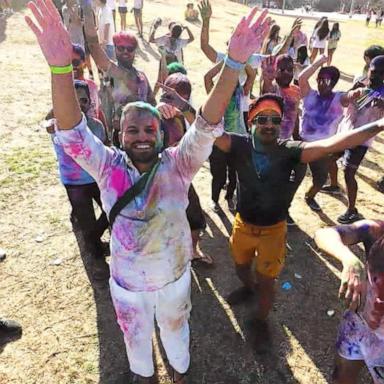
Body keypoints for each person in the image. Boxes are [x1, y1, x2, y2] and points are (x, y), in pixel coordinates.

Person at [25, 1, 271, 382]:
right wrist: (60, 68)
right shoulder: (106, 167)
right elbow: (73, 134)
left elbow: (206, 124)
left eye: (149, 130)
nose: (141, 136)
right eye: (132, 130)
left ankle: (180, 372)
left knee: (177, 339)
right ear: (119, 137)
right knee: (137, 349)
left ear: (160, 134)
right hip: (127, 288)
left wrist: (234, 65)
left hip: (174, 281)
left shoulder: (178, 163)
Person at [213, 92, 384, 353]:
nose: (269, 124)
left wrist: (379, 125)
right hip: (242, 226)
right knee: (240, 268)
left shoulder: (289, 150)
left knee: (268, 281)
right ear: (252, 122)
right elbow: (205, 130)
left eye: (275, 120)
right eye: (263, 119)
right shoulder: (239, 145)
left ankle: (260, 321)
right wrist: (182, 108)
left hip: (273, 231)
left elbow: (332, 143)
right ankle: (249, 288)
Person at [44, 80, 109, 267]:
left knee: (110, 211)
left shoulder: (95, 125)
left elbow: (105, 151)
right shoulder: (55, 126)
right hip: (74, 185)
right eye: (74, 100)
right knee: (86, 221)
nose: (79, 104)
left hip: (96, 179)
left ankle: (92, 242)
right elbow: (46, 123)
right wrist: (62, 104)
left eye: (84, 100)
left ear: (89, 103)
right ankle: (96, 255)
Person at [315, 220, 384, 384]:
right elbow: (323, 234)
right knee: (341, 377)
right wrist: (350, 260)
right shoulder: (376, 232)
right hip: (358, 325)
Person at [157, 73, 211, 264]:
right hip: (158, 182)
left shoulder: (184, 117)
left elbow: (203, 126)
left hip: (182, 179)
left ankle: (193, 251)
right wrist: (155, 111)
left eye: (183, 96)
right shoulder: (155, 115)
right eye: (173, 95)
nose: (178, 100)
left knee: (196, 219)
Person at [83, 8, 155, 145]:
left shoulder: (142, 77)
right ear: (115, 49)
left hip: (142, 139)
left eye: (130, 49)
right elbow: (93, 45)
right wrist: (86, 9)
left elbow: (152, 104)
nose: (125, 52)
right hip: (116, 139)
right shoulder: (112, 71)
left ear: (135, 51)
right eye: (120, 48)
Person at [298, 55, 360, 211]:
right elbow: (302, 77)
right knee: (293, 178)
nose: (321, 84)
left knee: (319, 180)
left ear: (333, 83)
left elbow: (349, 97)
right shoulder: (309, 95)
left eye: (325, 81)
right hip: (301, 143)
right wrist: (318, 62)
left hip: (321, 148)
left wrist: (356, 93)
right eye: (319, 79)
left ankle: (309, 196)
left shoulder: (338, 99)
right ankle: (285, 208)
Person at [336, 55, 384, 224]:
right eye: (373, 70)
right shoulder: (360, 82)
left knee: (349, 172)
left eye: (380, 73)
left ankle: (352, 210)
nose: (375, 75)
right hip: (344, 132)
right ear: (368, 68)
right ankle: (334, 185)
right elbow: (342, 102)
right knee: (329, 159)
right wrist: (351, 94)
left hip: (361, 140)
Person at [261, 54, 305, 224]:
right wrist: (267, 80)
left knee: (289, 178)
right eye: (282, 69)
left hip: (286, 144)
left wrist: (298, 136)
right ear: (276, 71)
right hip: (269, 145)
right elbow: (265, 94)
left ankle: (283, 208)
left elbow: (295, 116)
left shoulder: (295, 90)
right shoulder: (272, 88)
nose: (286, 73)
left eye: (290, 69)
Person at [204, 60, 247, 212]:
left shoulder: (241, 94)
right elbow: (207, 77)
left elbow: (252, 74)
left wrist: (241, 59)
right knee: (219, 176)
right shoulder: (215, 96)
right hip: (218, 141)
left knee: (234, 175)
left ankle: (229, 198)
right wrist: (226, 62)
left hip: (235, 141)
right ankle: (215, 200)